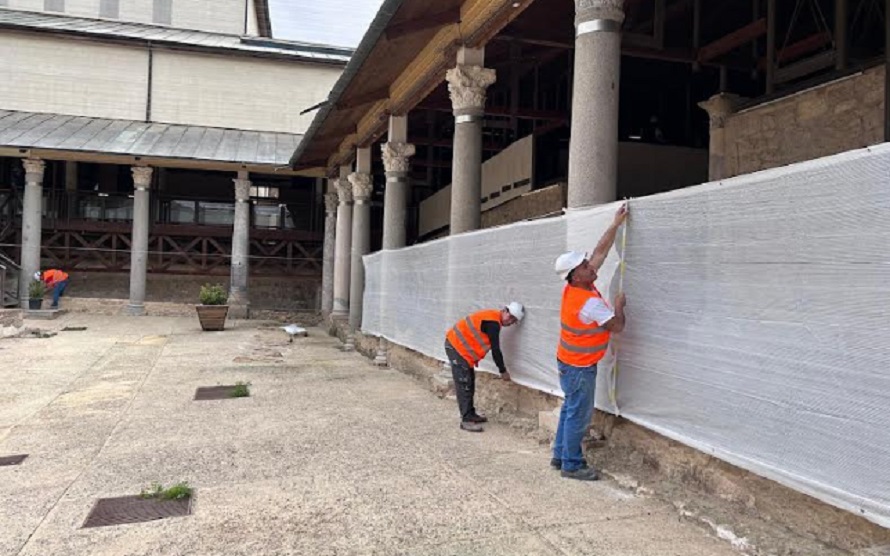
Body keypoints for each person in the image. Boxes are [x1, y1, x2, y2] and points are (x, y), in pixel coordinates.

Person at [552, 205, 628, 481]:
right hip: (580, 367)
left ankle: (560, 455)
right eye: (584, 266)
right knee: (579, 415)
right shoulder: (589, 303)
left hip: (568, 362)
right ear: (575, 275)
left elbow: (600, 253)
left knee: (570, 409)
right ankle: (572, 464)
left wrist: (615, 224)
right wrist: (620, 306)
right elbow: (617, 326)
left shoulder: (577, 287)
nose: (590, 266)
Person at [444, 302, 525, 432]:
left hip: (461, 351)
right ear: (504, 310)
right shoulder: (492, 323)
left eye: (513, 321)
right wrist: (502, 370)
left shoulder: (492, 318)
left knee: (469, 382)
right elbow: (496, 350)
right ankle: (466, 420)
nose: (510, 322)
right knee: (464, 384)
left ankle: (471, 414)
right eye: (510, 317)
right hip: (456, 347)